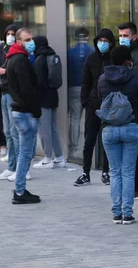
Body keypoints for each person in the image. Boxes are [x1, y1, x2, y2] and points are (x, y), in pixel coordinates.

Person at [97, 46, 138, 224]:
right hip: (130, 127)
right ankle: (127, 213)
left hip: (109, 128)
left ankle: (116, 213)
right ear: (127, 61)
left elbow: (98, 100)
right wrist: (137, 122)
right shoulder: (136, 78)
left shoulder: (102, 79)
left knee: (114, 172)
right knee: (128, 172)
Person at [74, 28, 115, 187]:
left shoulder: (113, 58)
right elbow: (85, 81)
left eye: (106, 41)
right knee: (89, 140)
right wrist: (85, 101)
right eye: (100, 41)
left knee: (106, 140)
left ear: (111, 43)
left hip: (110, 106)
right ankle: (86, 172)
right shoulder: (91, 58)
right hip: (93, 105)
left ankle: (106, 171)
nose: (103, 44)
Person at [7, 28, 42, 204]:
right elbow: (27, 89)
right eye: (27, 39)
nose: (31, 42)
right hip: (25, 112)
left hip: (20, 110)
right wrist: (36, 111)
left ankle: (20, 189)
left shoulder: (13, 59)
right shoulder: (21, 61)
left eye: (31, 38)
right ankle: (19, 191)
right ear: (19, 42)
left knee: (25, 152)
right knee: (26, 153)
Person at [117, 22, 138, 199]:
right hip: (126, 107)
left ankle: (137, 185)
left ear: (134, 36)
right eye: (120, 36)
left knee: (132, 146)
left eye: (125, 36)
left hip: (136, 107)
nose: (122, 39)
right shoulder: (125, 53)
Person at [32, 36, 66, 169]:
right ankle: (59, 158)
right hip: (53, 95)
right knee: (53, 128)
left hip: (43, 97)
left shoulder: (40, 59)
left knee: (44, 128)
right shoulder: (53, 55)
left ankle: (47, 158)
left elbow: (39, 82)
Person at [0, 24, 20, 175]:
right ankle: (11, 166)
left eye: (13, 34)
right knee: (8, 132)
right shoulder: (4, 50)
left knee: (14, 131)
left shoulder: (19, 52)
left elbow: (16, 71)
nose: (10, 36)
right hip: (3, 92)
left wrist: (4, 71)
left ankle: (17, 167)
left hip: (12, 93)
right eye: (8, 33)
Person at [67, 27, 91, 158]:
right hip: (89, 89)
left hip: (73, 87)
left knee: (75, 119)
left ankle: (73, 149)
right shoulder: (92, 51)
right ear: (88, 37)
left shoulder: (70, 52)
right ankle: (90, 150)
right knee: (90, 120)